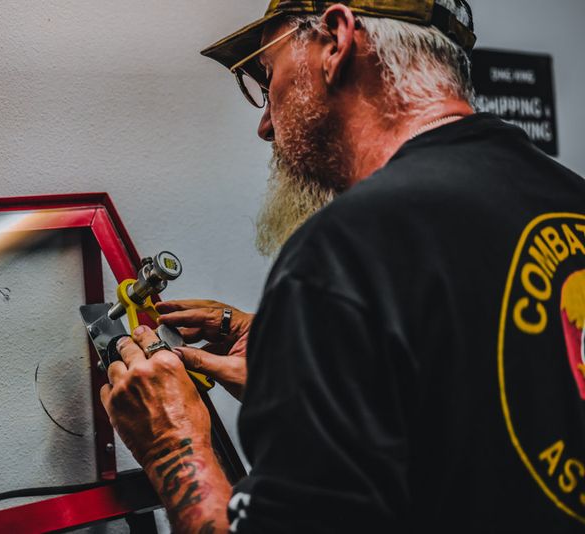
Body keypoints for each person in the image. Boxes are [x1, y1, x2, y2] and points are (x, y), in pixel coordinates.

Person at [99, 1, 585, 532]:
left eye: (267, 78)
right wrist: (330, 357)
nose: (265, 123)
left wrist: (174, 446)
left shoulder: (346, 249)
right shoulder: (567, 198)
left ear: (335, 41)